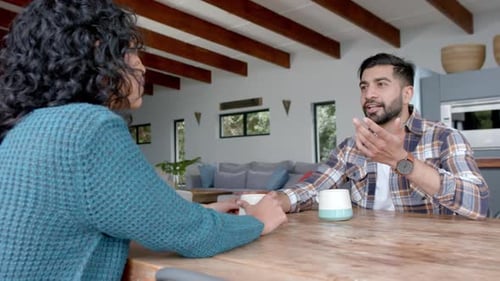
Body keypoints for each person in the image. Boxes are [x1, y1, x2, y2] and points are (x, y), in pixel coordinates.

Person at [0, 1, 287, 280]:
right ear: (98, 51)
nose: (142, 67)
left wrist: (194, 212)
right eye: (132, 52)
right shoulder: (87, 128)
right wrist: (258, 221)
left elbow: (130, 216)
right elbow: (195, 236)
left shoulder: (24, 130)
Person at [276, 53, 489, 220]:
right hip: (366, 250)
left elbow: (478, 204)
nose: (369, 94)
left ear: (407, 94)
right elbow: (315, 187)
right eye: (364, 87)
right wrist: (278, 200)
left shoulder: (445, 138)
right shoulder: (350, 147)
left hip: (429, 254)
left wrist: (402, 162)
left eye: (381, 84)